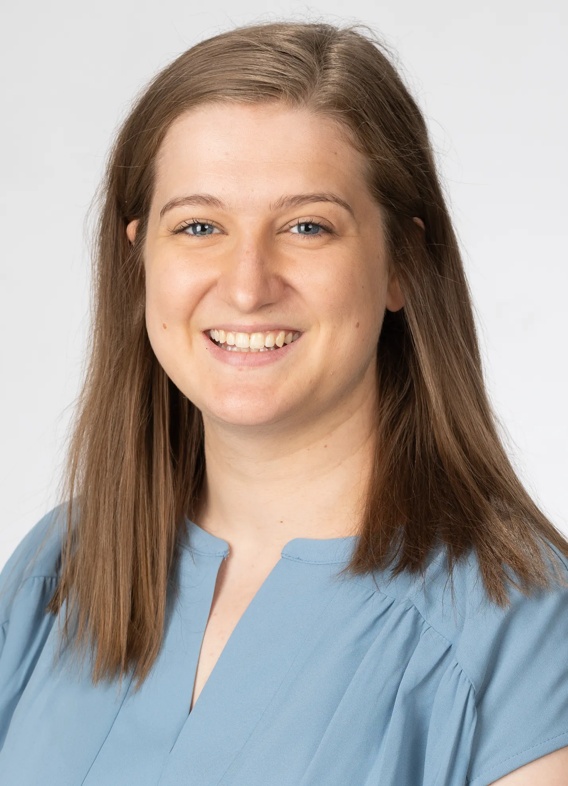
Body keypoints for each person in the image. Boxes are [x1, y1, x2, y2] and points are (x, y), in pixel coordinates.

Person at [0, 20, 567, 786]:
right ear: (139, 262)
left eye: (307, 226)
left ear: (402, 263)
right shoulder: (56, 569)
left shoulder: (524, 626)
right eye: (199, 226)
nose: (246, 284)